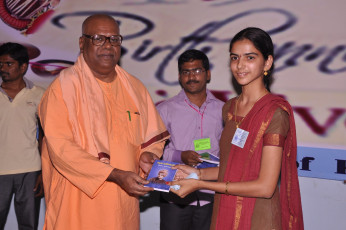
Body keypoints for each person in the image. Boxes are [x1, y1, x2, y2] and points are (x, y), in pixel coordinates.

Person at [38, 14, 169, 230]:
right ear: (82, 43)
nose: (108, 46)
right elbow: (61, 148)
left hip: (123, 202)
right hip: (79, 202)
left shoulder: (135, 88)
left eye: (114, 39)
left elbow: (150, 137)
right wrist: (114, 174)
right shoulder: (62, 89)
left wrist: (148, 155)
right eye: (99, 38)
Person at [170, 27, 304, 230]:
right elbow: (231, 169)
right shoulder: (229, 108)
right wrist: (196, 174)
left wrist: (201, 185)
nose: (240, 65)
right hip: (226, 209)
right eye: (234, 58)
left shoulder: (275, 113)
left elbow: (265, 187)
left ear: (267, 62)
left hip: (258, 216)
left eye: (250, 57)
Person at [157, 49, 224, 230]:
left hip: (210, 194)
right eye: (186, 72)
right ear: (180, 76)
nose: (191, 77)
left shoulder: (223, 110)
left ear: (207, 74)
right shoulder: (164, 110)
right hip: (174, 195)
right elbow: (155, 153)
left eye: (197, 71)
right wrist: (180, 155)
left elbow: (228, 150)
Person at [0, 42, 45, 230]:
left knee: (29, 225)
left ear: (23, 66)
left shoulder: (39, 95)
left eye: (8, 64)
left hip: (30, 170)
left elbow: (45, 135)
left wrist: (43, 171)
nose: (3, 69)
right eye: (0, 64)